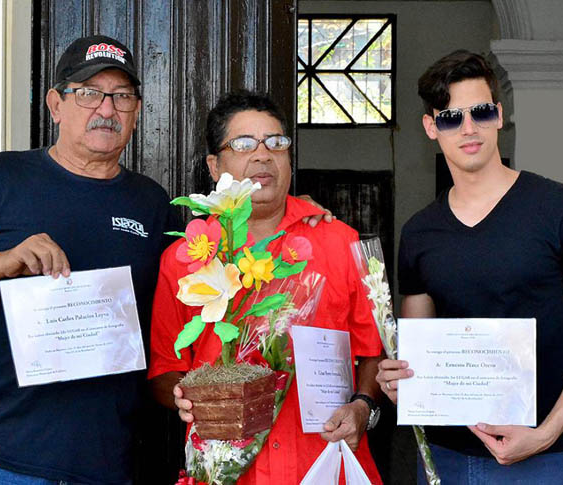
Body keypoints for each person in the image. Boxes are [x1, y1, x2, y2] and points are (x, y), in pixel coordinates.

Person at [0, 35, 183, 484]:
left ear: (136, 112)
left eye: (122, 97)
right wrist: (0, 263)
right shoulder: (2, 177)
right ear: (55, 104)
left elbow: (176, 317)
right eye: (88, 93)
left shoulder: (153, 204)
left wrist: (298, 219)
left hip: (104, 461)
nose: (106, 109)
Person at [376, 50, 563, 484]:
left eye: (480, 111)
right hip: (444, 459)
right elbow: (417, 351)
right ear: (430, 127)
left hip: (544, 459)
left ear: (498, 115)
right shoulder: (420, 232)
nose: (467, 127)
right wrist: (398, 378)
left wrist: (545, 434)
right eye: (450, 117)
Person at [148, 90, 385, 484]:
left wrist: (363, 406)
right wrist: (184, 396)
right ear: (213, 164)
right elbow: (163, 370)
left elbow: (374, 351)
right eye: (243, 144)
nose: (263, 155)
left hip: (325, 462)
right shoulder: (186, 257)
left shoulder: (339, 243)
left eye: (276, 142)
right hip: (228, 469)